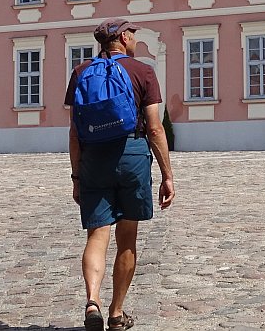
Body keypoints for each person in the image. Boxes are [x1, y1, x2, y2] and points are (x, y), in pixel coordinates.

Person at [67, 18, 175, 331]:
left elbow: (75, 133)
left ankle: (92, 300)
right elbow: (154, 127)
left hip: (94, 159)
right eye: (133, 35)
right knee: (127, 237)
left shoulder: (81, 72)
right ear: (124, 37)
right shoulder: (143, 71)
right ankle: (116, 313)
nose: (134, 40)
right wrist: (167, 174)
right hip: (132, 155)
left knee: (97, 235)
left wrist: (77, 176)